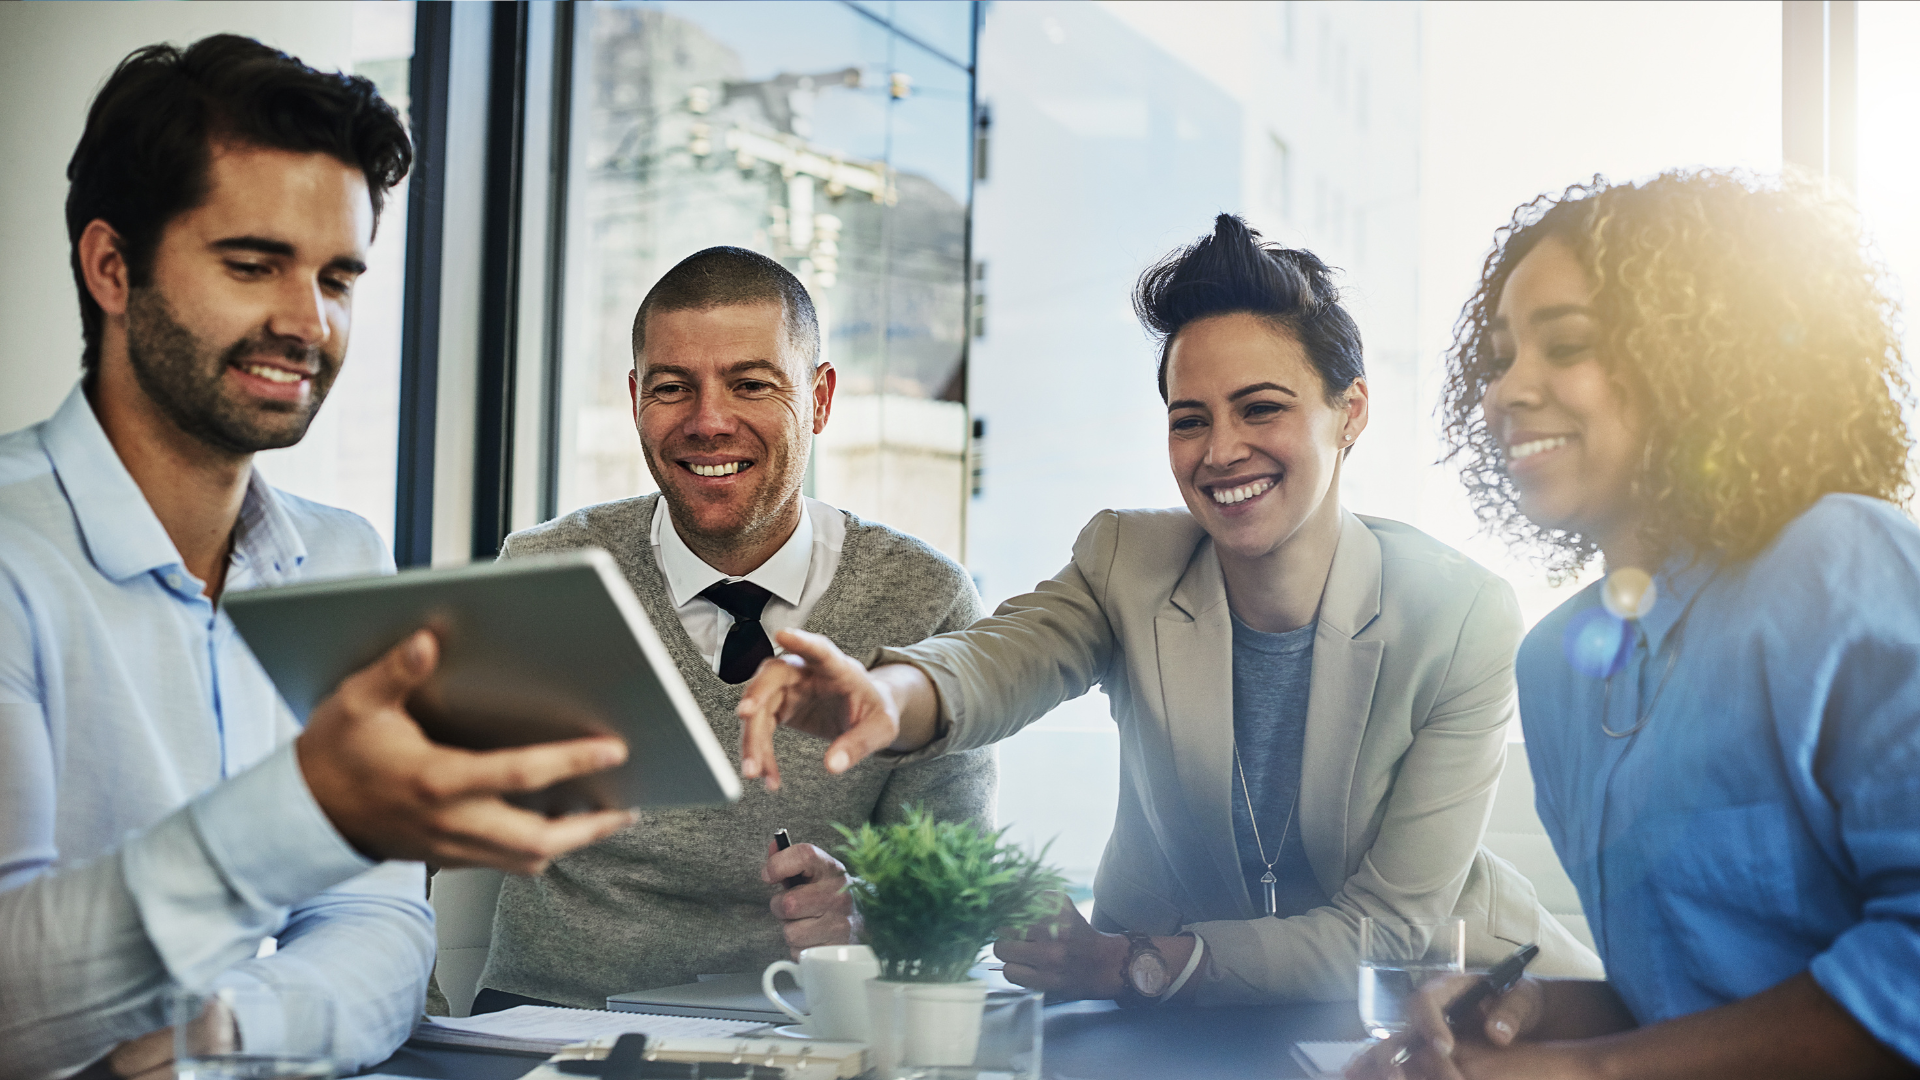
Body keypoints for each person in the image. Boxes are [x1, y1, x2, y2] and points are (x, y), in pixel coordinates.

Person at [737, 214, 1600, 1006]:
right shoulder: (1130, 562)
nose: (1221, 451)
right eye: (1190, 420)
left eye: (1261, 408)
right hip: (1182, 1024)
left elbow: (1391, 931)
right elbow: (1004, 656)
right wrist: (889, 698)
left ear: (1351, 414)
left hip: (1465, 1009)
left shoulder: (1459, 614)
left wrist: (1133, 963)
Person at [0, 37, 637, 1079]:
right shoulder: (14, 556)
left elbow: (383, 929)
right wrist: (307, 809)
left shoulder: (344, 554)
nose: (308, 322)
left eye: (338, 276)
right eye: (252, 265)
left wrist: (223, 1033)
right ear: (112, 268)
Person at [1350, 170, 1920, 1079]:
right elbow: (1696, 995)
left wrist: (1589, 1072)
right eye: (1498, 359)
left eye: (1566, 345)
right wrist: (1537, 1009)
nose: (1506, 392)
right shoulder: (1555, 670)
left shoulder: (1845, 566)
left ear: (1702, 360)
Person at [468, 246, 997, 1012]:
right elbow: (415, 825)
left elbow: (960, 896)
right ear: (635, 399)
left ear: (818, 399)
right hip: (546, 1027)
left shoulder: (925, 599)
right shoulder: (545, 574)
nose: (708, 423)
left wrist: (865, 917)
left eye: (751, 384)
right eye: (673, 388)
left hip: (804, 1035)